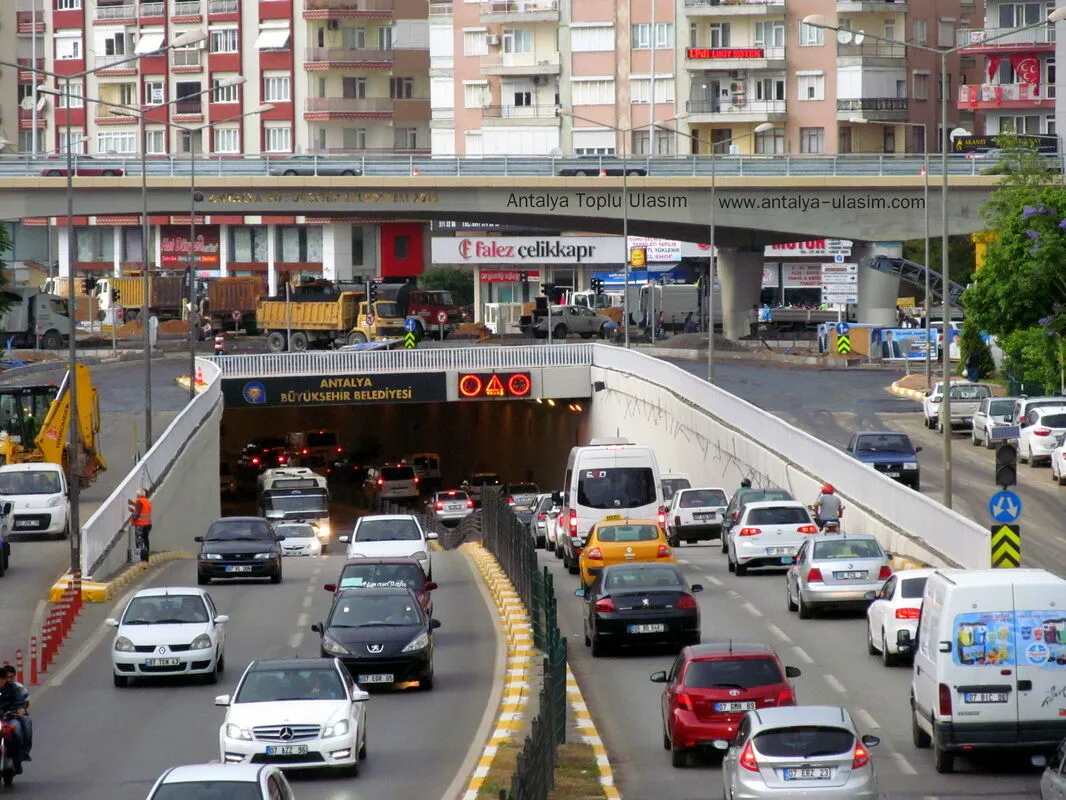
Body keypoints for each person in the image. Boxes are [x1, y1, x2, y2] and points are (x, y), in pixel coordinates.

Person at [0, 665, 30, 773]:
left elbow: (20, 701)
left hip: (9, 717)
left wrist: (20, 709)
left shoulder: (13, 688)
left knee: (17, 731)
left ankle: (17, 759)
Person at [128, 488, 152, 562]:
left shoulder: (139, 501)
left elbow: (137, 513)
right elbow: (142, 511)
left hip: (140, 525)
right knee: (145, 540)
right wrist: (133, 506)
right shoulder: (147, 501)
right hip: (148, 524)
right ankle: (147, 557)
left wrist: (132, 519)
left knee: (139, 542)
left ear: (138, 495)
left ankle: (143, 558)